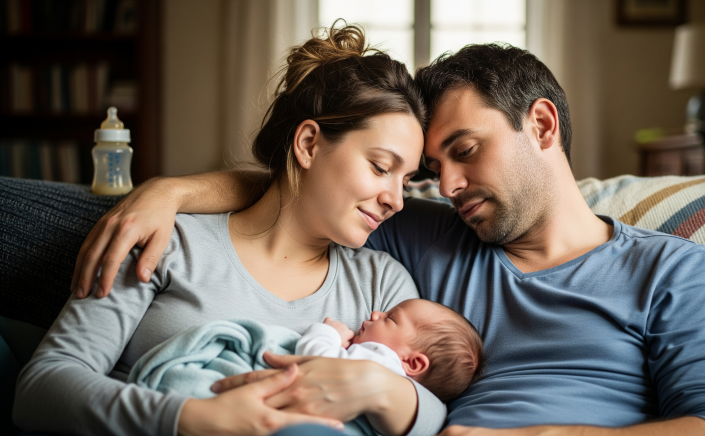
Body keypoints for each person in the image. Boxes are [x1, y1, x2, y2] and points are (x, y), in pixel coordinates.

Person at [70, 44, 705, 436]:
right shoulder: (425, 235)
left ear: (541, 126)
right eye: (432, 168)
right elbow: (301, 184)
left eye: (464, 151)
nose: (446, 185)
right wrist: (171, 192)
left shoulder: (668, 269)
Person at [13, 23, 448, 436]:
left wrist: (382, 388)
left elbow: (435, 413)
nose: (397, 199)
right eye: (380, 167)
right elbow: (42, 387)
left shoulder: (381, 285)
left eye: (406, 179)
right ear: (309, 144)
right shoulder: (169, 242)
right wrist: (190, 417)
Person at [296, 299, 485, 403]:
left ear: (412, 363)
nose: (376, 313)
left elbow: (314, 361)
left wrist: (329, 333)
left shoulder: (383, 364)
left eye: (391, 319)